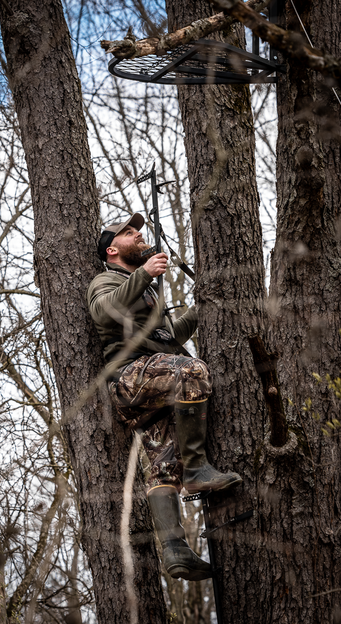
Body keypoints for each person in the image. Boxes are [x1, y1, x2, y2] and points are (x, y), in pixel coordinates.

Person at [87, 213, 242, 581]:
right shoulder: (106, 279)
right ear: (112, 249)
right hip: (129, 378)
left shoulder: (147, 288)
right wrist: (145, 275)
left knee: (163, 462)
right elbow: (103, 312)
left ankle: (175, 551)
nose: (138, 235)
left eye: (139, 230)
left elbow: (170, 335)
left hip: (153, 385)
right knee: (193, 370)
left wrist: (202, 306)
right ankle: (198, 469)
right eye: (128, 233)